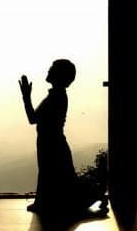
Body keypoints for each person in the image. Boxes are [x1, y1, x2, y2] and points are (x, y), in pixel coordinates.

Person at [19, 59, 107, 218]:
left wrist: (26, 97)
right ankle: (44, 202)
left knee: (56, 177)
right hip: (53, 142)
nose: (48, 71)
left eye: (51, 69)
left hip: (52, 143)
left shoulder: (56, 97)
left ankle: (97, 194)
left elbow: (33, 118)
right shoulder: (57, 96)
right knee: (55, 175)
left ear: (59, 75)